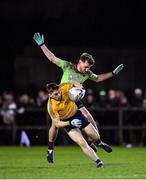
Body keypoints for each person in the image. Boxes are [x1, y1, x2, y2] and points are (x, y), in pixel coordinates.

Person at [33, 32, 124, 163]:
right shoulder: (67, 66)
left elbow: (98, 78)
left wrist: (113, 73)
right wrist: (42, 45)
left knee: (90, 118)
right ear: (80, 62)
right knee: (55, 124)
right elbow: (52, 58)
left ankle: (98, 142)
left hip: (74, 99)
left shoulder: (88, 73)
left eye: (89, 68)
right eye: (86, 66)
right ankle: (50, 149)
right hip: (61, 97)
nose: (87, 70)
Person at [46, 82, 110, 168]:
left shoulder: (64, 88)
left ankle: (98, 142)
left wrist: (81, 90)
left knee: (96, 136)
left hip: (77, 115)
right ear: (50, 95)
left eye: (59, 93)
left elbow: (75, 83)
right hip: (67, 122)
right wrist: (69, 123)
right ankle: (99, 162)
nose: (58, 95)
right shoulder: (51, 106)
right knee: (81, 142)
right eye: (55, 94)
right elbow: (57, 123)